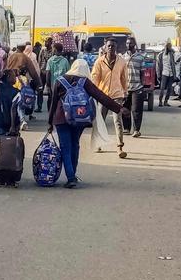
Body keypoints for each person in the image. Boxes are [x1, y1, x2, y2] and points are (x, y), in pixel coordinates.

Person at [49, 59, 129, 187]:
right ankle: (72, 175)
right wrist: (119, 108)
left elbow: (52, 103)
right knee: (75, 145)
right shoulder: (85, 82)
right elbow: (101, 96)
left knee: (65, 147)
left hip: (61, 119)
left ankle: (70, 177)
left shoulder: (60, 80)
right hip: (79, 119)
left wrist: (49, 122)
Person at [91, 38, 128, 158]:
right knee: (100, 121)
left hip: (117, 95)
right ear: (105, 47)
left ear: (116, 48)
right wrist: (94, 93)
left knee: (118, 121)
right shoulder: (99, 62)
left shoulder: (121, 61)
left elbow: (124, 78)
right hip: (103, 96)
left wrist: (125, 92)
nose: (111, 48)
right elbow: (95, 78)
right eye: (109, 46)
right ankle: (98, 143)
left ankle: (120, 146)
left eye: (113, 46)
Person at [122, 37, 145, 137]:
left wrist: (142, 85)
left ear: (134, 44)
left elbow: (143, 73)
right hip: (126, 88)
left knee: (136, 110)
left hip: (137, 87)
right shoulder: (122, 57)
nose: (128, 45)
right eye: (127, 43)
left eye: (130, 43)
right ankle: (126, 128)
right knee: (125, 109)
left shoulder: (140, 57)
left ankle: (136, 130)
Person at [0, 69, 19, 137]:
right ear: (8, 77)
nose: (15, 78)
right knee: (11, 145)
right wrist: (13, 126)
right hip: (9, 124)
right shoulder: (15, 92)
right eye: (14, 76)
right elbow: (13, 109)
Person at [45, 43, 71, 110]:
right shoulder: (65, 61)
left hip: (53, 85)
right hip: (63, 86)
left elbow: (48, 73)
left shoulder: (50, 60)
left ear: (55, 50)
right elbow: (68, 74)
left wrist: (48, 85)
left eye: (53, 48)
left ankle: (51, 116)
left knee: (51, 101)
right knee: (61, 102)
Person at [37, 37, 55, 112]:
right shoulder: (43, 50)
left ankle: (50, 107)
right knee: (40, 90)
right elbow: (39, 61)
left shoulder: (54, 51)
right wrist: (39, 70)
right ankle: (39, 107)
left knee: (50, 90)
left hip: (50, 73)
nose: (45, 43)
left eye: (47, 42)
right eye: (45, 42)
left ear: (51, 43)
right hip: (42, 72)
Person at [156, 42, 177, 107]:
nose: (170, 48)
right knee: (162, 88)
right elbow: (158, 65)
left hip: (170, 74)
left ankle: (166, 101)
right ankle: (160, 101)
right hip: (164, 73)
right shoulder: (161, 55)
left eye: (171, 47)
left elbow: (173, 65)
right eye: (169, 47)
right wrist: (158, 74)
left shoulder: (172, 54)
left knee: (169, 89)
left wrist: (174, 75)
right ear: (166, 47)